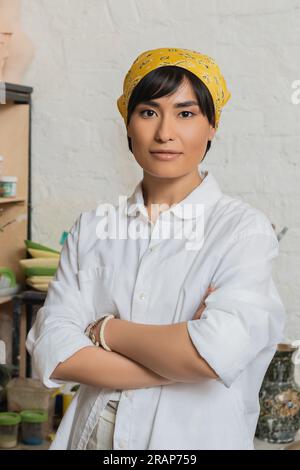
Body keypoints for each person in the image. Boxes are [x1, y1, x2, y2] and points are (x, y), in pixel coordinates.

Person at [26, 47, 286, 450]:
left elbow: (213, 355)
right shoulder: (93, 228)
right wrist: (182, 359)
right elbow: (55, 354)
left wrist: (102, 329)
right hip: (93, 438)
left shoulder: (241, 231)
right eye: (148, 112)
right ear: (128, 123)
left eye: (186, 113)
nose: (165, 132)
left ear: (212, 126)